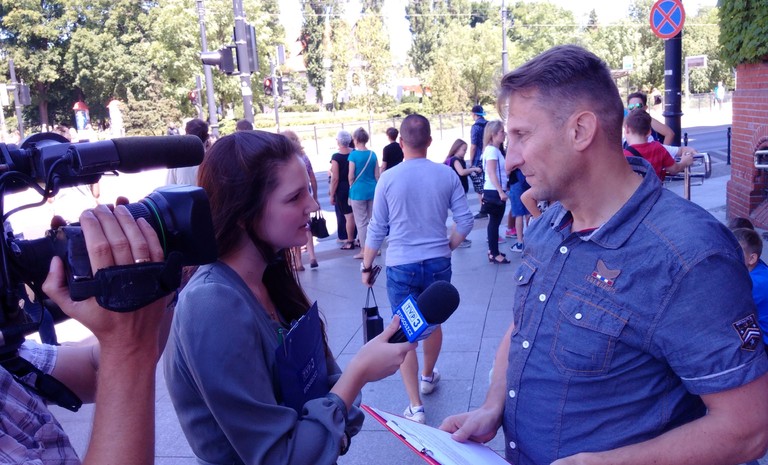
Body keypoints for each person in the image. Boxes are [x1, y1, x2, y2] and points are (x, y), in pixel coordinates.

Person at [440, 44, 768, 465]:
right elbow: (524, 325)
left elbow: (748, 428)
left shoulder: (689, 255)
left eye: (522, 135)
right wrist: (492, 405)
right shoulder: (549, 224)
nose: (511, 159)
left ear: (581, 130)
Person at [163, 131, 414, 465]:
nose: (313, 205)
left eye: (308, 191)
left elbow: (334, 398)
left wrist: (330, 422)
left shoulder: (270, 274)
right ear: (244, 214)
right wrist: (358, 373)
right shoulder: (211, 305)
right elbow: (283, 456)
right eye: (295, 197)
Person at [3, 205, 171, 465]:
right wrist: (126, 345)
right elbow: (124, 354)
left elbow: (96, 370)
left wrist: (160, 284)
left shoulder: (7, 358)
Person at [362, 114, 473, 424]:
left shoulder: (388, 178)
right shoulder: (446, 174)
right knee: (433, 322)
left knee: (404, 328)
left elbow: (377, 228)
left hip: (401, 264)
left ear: (401, 143)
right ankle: (427, 376)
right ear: (429, 141)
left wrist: (367, 265)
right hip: (438, 261)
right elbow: (465, 221)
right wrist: (448, 246)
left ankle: (415, 405)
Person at [282, 130, 319, 270]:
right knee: (306, 226)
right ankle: (312, 256)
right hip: (306, 194)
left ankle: (298, 261)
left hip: (293, 198)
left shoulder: (284, 161)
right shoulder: (304, 158)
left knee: (295, 228)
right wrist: (315, 196)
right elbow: (313, 179)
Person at [623, 109, 693, 181]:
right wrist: (684, 162)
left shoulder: (624, 156)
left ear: (627, 129)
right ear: (649, 132)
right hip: (654, 188)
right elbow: (674, 169)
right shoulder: (658, 148)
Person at [732, 227, 768, 353]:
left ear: (752, 258)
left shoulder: (754, 284)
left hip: (764, 342)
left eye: (736, 252)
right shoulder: (760, 268)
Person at [348, 127, 379, 260]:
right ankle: (375, 249)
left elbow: (351, 176)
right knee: (373, 221)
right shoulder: (373, 154)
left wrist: (351, 186)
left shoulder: (353, 155)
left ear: (356, 139)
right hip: (372, 190)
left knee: (361, 223)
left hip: (358, 192)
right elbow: (377, 175)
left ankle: (364, 250)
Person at [481, 120, 509, 264]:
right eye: (501, 132)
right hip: (494, 190)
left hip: (494, 189)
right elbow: (491, 172)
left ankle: (493, 250)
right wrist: (500, 191)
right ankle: (494, 253)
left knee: (494, 222)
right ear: (493, 134)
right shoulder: (492, 150)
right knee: (494, 223)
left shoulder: (493, 150)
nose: (504, 134)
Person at [444, 138, 481, 248]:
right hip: (457, 192)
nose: (465, 152)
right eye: (463, 150)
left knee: (458, 217)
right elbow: (461, 172)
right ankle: (458, 239)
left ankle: (460, 238)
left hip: (459, 190)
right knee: (460, 218)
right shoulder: (455, 160)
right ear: (456, 149)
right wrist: (473, 169)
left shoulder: (456, 159)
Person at [330, 130, 356, 249]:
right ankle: (359, 237)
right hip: (354, 185)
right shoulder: (355, 153)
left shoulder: (336, 157)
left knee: (348, 216)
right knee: (357, 214)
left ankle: (349, 240)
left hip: (342, 188)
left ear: (339, 142)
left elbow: (335, 178)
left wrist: (332, 194)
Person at [166, 118, 210, 186]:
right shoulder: (211, 160)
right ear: (207, 138)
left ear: (186, 136)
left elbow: (169, 186)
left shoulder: (177, 160)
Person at [469, 105, 488, 218]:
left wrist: (471, 162)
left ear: (474, 114)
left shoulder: (475, 127)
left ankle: (483, 210)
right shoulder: (489, 125)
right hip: (489, 157)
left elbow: (473, 146)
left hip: (478, 158)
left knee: (479, 186)